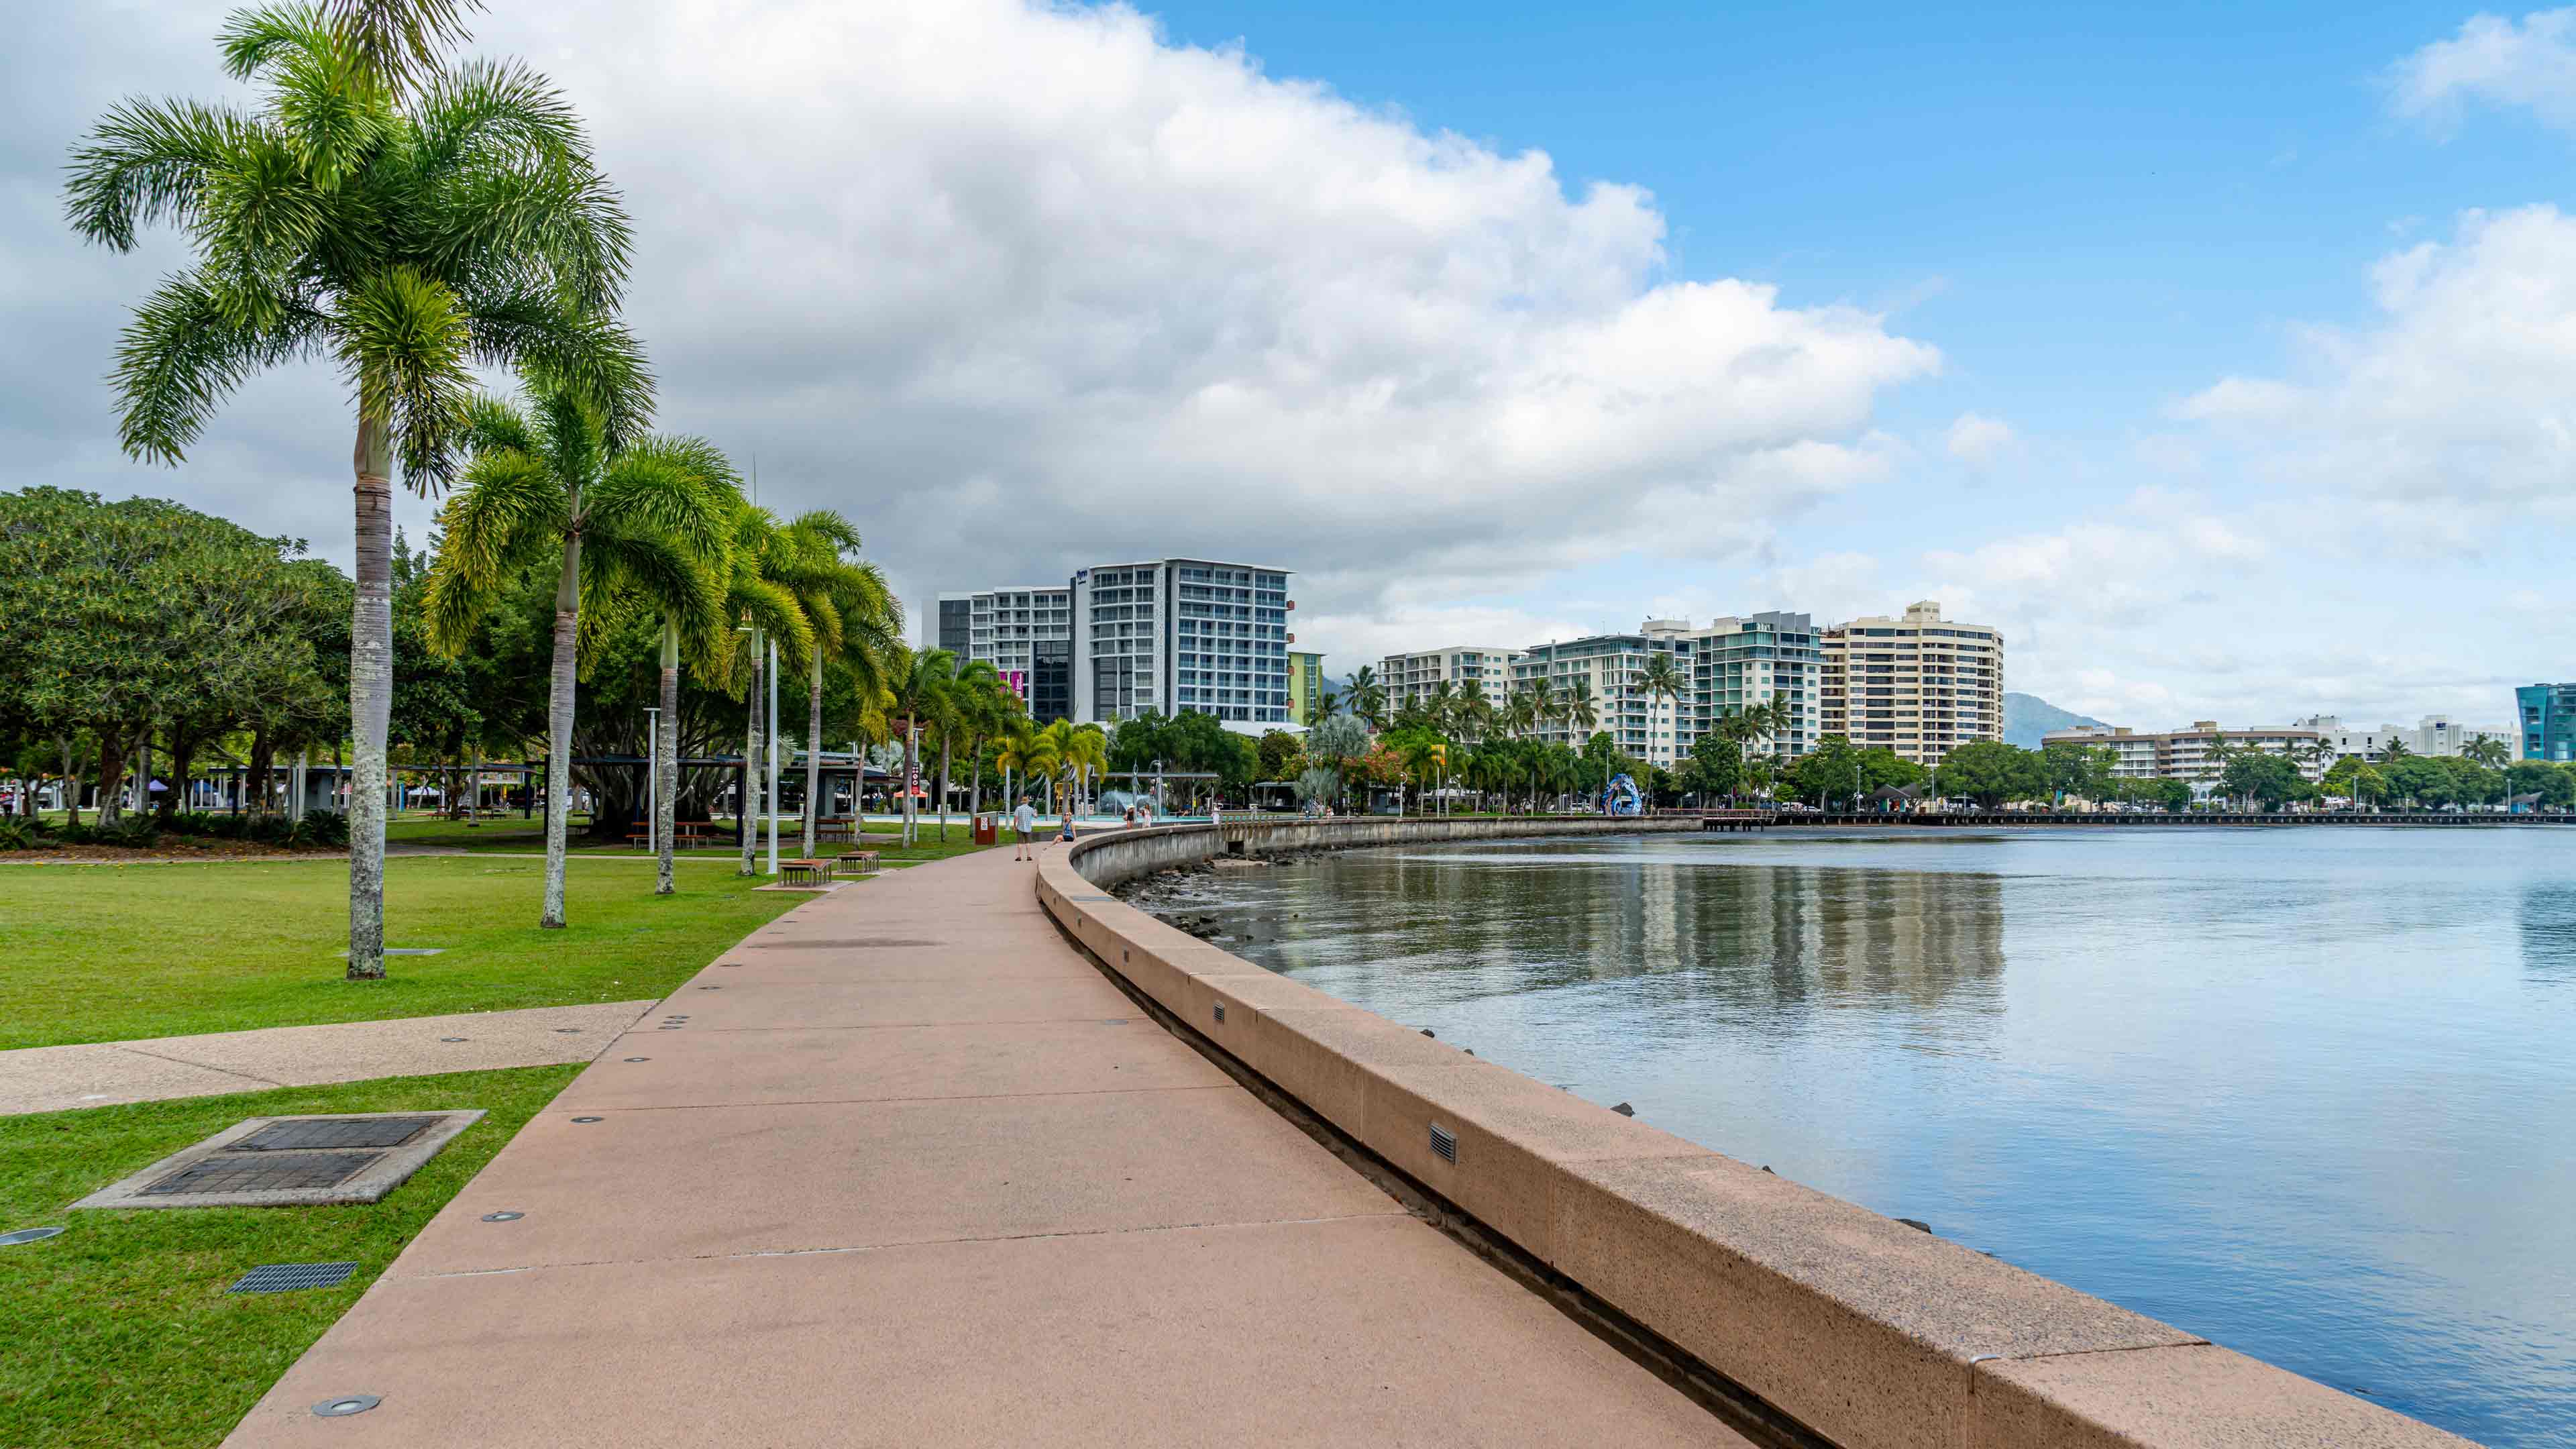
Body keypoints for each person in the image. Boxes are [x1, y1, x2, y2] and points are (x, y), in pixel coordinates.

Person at [1012, 796, 1038, 862]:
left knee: (1020, 843)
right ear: (1027, 802)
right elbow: (1036, 816)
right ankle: (1029, 857)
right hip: (1028, 828)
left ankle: (1019, 857)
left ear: (1022, 802)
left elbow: (1016, 818)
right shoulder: (1030, 809)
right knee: (1028, 843)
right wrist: (1036, 811)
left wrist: (1014, 826)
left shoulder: (1019, 808)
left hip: (1020, 828)